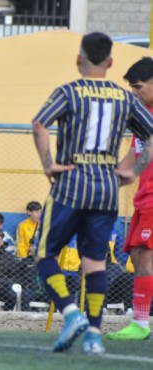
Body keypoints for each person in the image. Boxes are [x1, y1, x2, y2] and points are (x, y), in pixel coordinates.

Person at [31, 32, 153, 354]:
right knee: (95, 263)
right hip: (107, 187)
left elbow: (40, 124)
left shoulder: (69, 92)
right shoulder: (124, 98)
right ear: (111, 62)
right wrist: (133, 171)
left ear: (78, 60)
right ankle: (94, 338)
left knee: (44, 254)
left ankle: (71, 313)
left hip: (72, 182)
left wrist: (49, 166)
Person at [108, 56, 153, 340]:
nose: (134, 93)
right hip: (144, 197)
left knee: (145, 256)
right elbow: (131, 159)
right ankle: (140, 322)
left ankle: (140, 324)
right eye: (131, 88)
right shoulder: (142, 117)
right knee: (138, 256)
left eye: (138, 87)